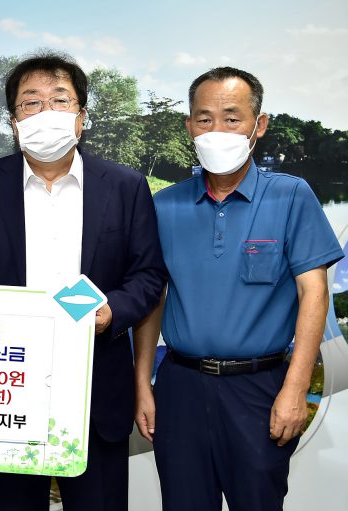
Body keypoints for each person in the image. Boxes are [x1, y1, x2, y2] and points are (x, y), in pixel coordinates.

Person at [0, 51, 168, 511]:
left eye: (60, 100)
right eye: (31, 102)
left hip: (96, 386)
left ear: (81, 117)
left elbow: (148, 274)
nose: (45, 112)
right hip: (3, 389)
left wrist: (113, 311)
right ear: (14, 122)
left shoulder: (124, 186)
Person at [133, 67, 344, 511]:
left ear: (258, 125)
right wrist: (143, 384)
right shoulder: (165, 204)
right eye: (204, 119)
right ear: (189, 126)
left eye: (232, 118)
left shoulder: (291, 196)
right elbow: (153, 297)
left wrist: (295, 388)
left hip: (260, 388)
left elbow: (314, 294)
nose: (217, 130)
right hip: (180, 387)